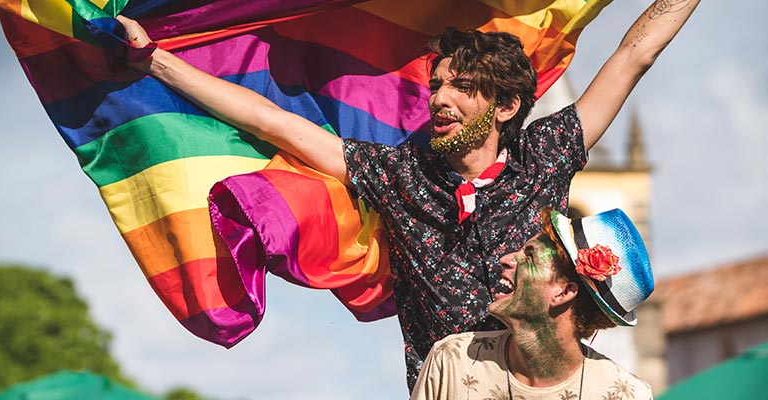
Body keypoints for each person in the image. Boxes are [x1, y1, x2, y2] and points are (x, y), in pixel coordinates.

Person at [117, 0, 698, 390]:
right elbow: (278, 125)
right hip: (448, 387)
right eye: (437, 84)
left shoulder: (543, 155)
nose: (439, 98)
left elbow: (633, 55)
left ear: (504, 107)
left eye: (461, 88)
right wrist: (156, 62)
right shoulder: (398, 174)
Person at [411, 207, 655, 399]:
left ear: (564, 292)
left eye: (529, 257)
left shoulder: (626, 395)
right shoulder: (453, 361)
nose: (505, 259)